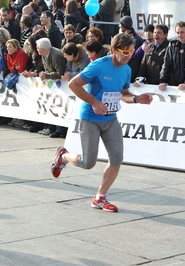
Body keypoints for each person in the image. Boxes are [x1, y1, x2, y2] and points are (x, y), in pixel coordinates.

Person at [51, 33, 153, 212]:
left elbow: (123, 94)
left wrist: (137, 99)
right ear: (114, 50)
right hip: (90, 119)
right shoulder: (98, 65)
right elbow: (74, 84)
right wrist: (94, 102)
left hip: (111, 119)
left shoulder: (126, 69)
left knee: (116, 158)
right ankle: (63, 156)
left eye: (131, 52)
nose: (129, 56)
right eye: (125, 52)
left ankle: (100, 197)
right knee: (87, 163)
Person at [36, 37, 66, 136]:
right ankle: (51, 127)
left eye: (38, 48)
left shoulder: (56, 55)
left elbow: (60, 73)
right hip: (53, 84)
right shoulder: (44, 54)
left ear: (43, 49)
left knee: (60, 106)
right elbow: (47, 69)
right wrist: (44, 74)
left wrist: (47, 75)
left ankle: (60, 130)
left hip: (61, 84)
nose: (37, 49)